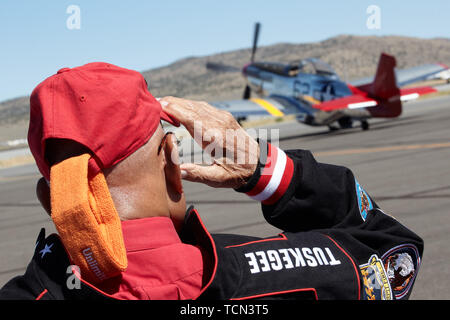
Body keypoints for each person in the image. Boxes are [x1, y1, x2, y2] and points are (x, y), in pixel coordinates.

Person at [0, 62, 423, 300]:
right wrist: (263, 168)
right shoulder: (279, 274)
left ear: (50, 197)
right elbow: (392, 253)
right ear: (172, 162)